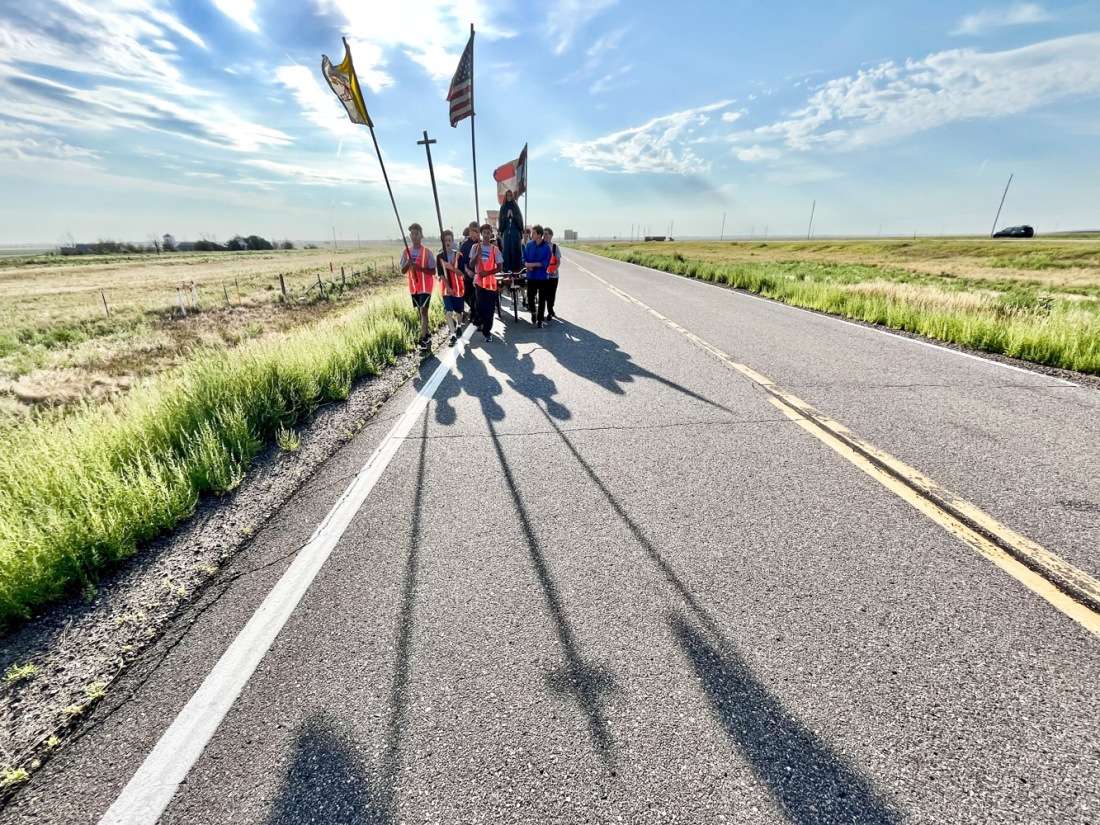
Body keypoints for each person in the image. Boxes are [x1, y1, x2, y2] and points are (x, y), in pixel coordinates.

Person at [400, 223, 435, 347]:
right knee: (420, 312)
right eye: (412, 234)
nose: (414, 236)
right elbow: (403, 271)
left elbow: (433, 271)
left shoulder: (427, 252)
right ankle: (427, 332)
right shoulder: (406, 252)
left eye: (416, 234)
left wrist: (418, 268)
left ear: (421, 235)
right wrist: (407, 264)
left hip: (426, 287)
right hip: (414, 287)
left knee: (423, 312)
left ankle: (423, 338)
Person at [472, 223, 501, 342]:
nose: (486, 235)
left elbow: (499, 267)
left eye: (488, 233)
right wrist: (477, 256)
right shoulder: (475, 247)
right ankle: (479, 322)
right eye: (484, 233)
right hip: (479, 284)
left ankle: (487, 331)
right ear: (481, 234)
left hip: (491, 284)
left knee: (489, 309)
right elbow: (471, 264)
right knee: (480, 307)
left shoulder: (495, 250)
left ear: (491, 234)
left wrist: (487, 273)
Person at [437, 229, 464, 346]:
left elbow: (462, 273)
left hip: (458, 288)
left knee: (459, 312)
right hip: (446, 289)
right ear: (442, 242)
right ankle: (452, 335)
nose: (447, 242)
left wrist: (451, 267)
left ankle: (459, 325)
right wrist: (447, 287)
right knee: (449, 312)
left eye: (449, 240)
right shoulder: (439, 257)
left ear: (452, 241)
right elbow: (440, 274)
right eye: (445, 240)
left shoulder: (459, 256)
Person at [522, 223, 552, 327]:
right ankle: (533, 313)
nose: (532, 235)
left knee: (542, 299)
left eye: (534, 233)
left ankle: (540, 320)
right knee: (530, 297)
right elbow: (524, 257)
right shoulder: (529, 245)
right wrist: (526, 264)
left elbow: (546, 263)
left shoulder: (547, 247)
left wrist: (534, 264)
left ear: (539, 234)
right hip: (531, 276)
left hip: (542, 277)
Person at [458, 221, 480, 327]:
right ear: (470, 231)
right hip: (468, 276)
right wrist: (467, 271)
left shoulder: (481, 244)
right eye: (475, 231)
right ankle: (473, 312)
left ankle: (476, 317)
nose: (477, 233)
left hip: (480, 275)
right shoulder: (465, 245)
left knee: (477, 297)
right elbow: (462, 262)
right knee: (469, 297)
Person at [498, 190, 523, 275]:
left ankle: (516, 269)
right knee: (507, 251)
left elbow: (520, 221)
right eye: (507, 195)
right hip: (506, 233)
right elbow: (501, 222)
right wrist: (506, 216)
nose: (509, 197)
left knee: (516, 250)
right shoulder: (503, 207)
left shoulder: (515, 207)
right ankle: (507, 270)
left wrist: (513, 216)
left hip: (515, 232)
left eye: (510, 196)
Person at [543, 227, 561, 319]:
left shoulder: (554, 247)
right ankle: (543, 312)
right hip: (542, 275)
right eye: (543, 234)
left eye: (546, 234)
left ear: (551, 235)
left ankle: (550, 310)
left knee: (551, 294)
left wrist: (554, 269)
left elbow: (558, 261)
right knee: (543, 294)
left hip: (553, 275)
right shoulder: (540, 246)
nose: (544, 236)